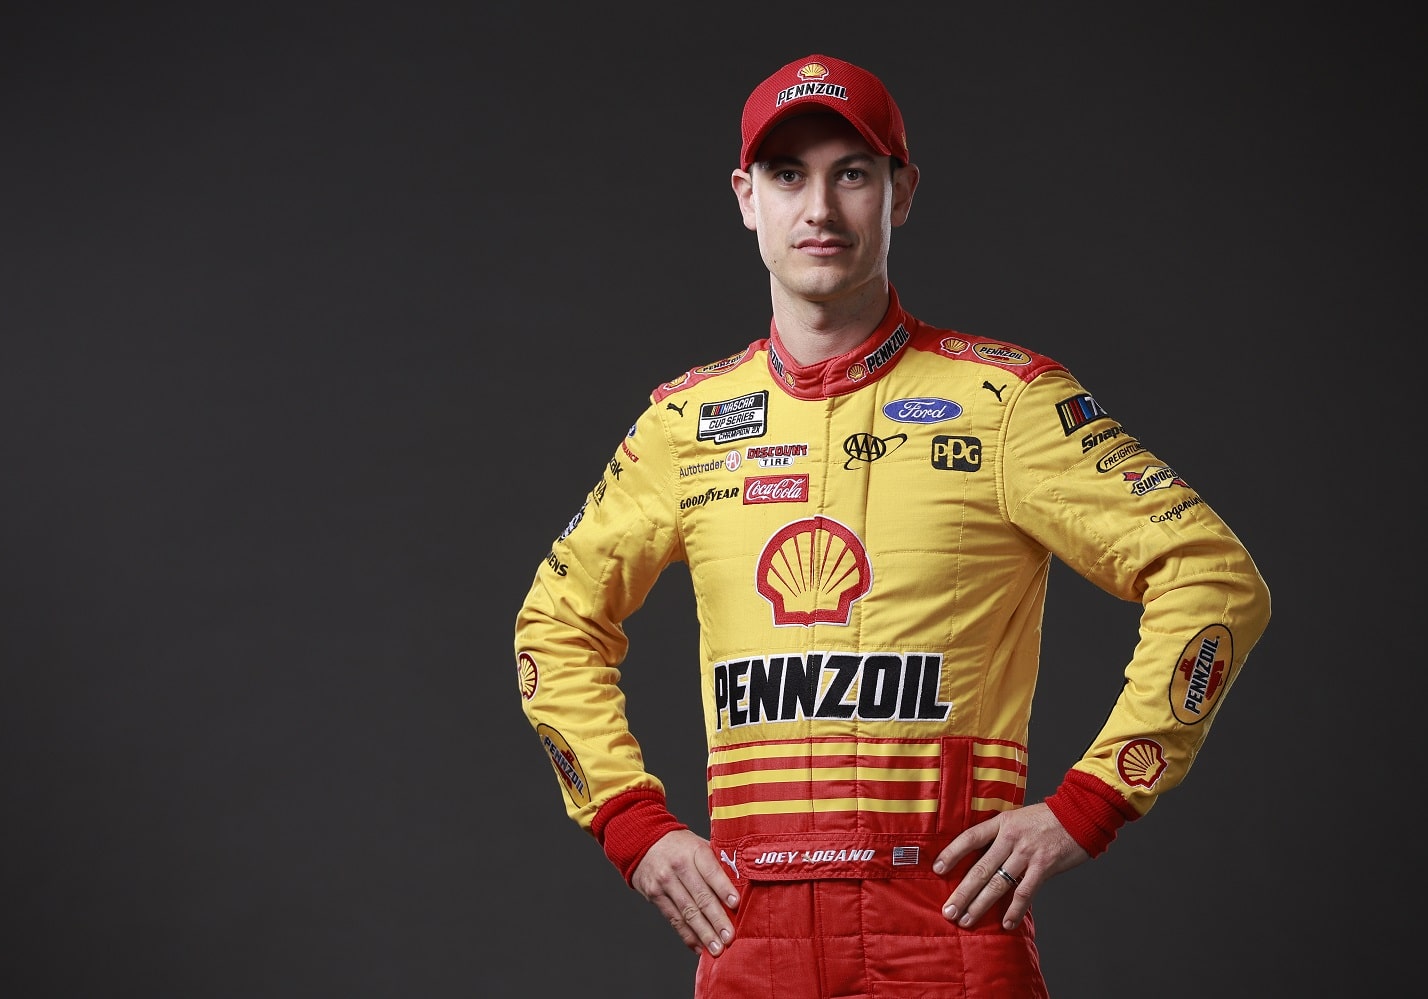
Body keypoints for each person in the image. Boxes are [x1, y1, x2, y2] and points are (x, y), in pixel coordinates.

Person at [513, 52, 1271, 998]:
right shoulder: (686, 423)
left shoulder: (1005, 401)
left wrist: (1094, 801)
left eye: (853, 174)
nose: (819, 209)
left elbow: (1212, 574)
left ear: (901, 193)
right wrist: (632, 824)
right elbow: (554, 624)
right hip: (752, 926)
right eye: (789, 176)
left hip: (947, 919)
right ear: (746, 198)